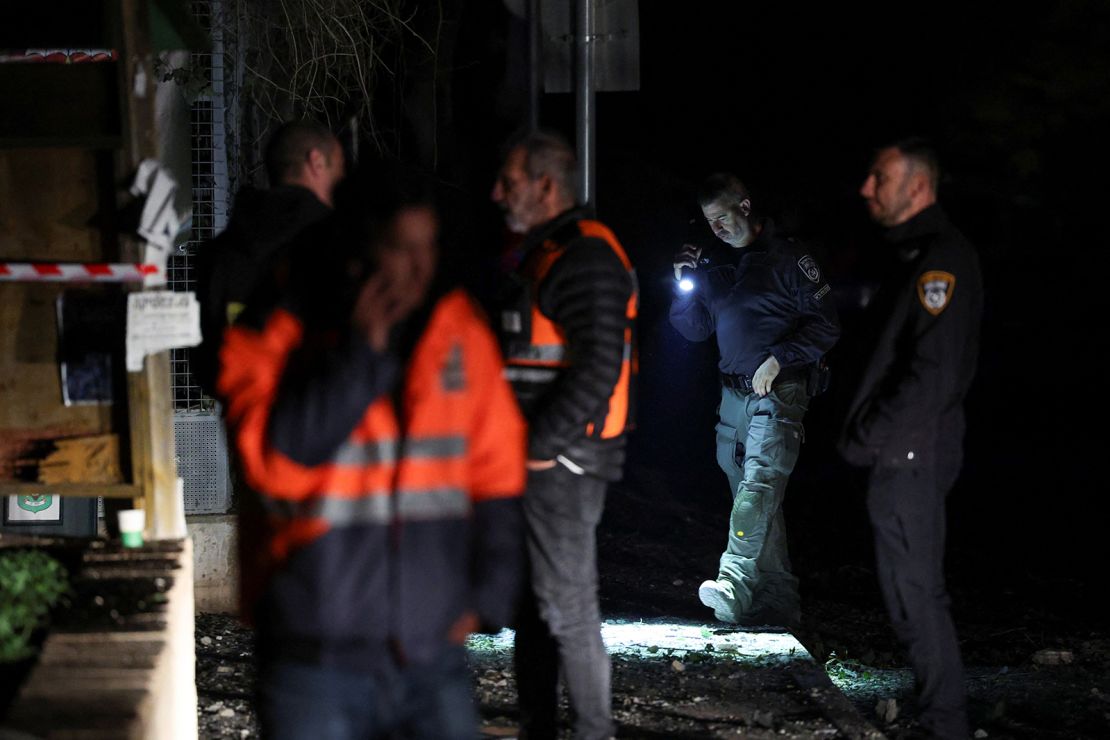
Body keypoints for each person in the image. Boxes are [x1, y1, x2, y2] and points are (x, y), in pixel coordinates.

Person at [217, 164, 527, 739]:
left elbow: (498, 472)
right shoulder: (279, 326)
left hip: (429, 652)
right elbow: (273, 463)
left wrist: (488, 595)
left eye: (427, 245)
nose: (419, 266)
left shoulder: (457, 329)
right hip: (314, 656)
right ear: (357, 250)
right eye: (400, 248)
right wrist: (360, 356)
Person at [491, 129, 637, 740]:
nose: (497, 193)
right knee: (538, 607)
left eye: (511, 182)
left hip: (564, 464)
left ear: (546, 186)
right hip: (549, 460)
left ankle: (591, 731)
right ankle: (541, 727)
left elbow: (601, 365)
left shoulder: (585, 255)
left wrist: (539, 448)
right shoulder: (553, 250)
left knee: (567, 607)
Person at [837, 138, 982, 740]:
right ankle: (941, 718)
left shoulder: (939, 260)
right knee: (910, 592)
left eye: (880, 176)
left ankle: (945, 724)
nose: (866, 188)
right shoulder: (911, 256)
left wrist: (870, 435)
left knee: (916, 594)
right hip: (906, 451)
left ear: (918, 186)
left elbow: (934, 375)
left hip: (910, 453)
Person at [669, 173, 839, 629]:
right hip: (732, 394)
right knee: (752, 494)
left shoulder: (790, 257)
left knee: (759, 487)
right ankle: (779, 598)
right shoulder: (716, 263)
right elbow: (693, 329)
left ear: (744, 206)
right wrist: (683, 284)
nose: (717, 229)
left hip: (779, 390)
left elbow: (826, 325)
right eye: (709, 222)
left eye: (722, 217)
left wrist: (780, 359)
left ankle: (734, 580)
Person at [191, 119, 345, 395]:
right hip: (326, 418)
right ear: (317, 161)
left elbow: (205, 365)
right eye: (339, 169)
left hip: (248, 419)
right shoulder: (339, 243)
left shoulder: (217, 255)